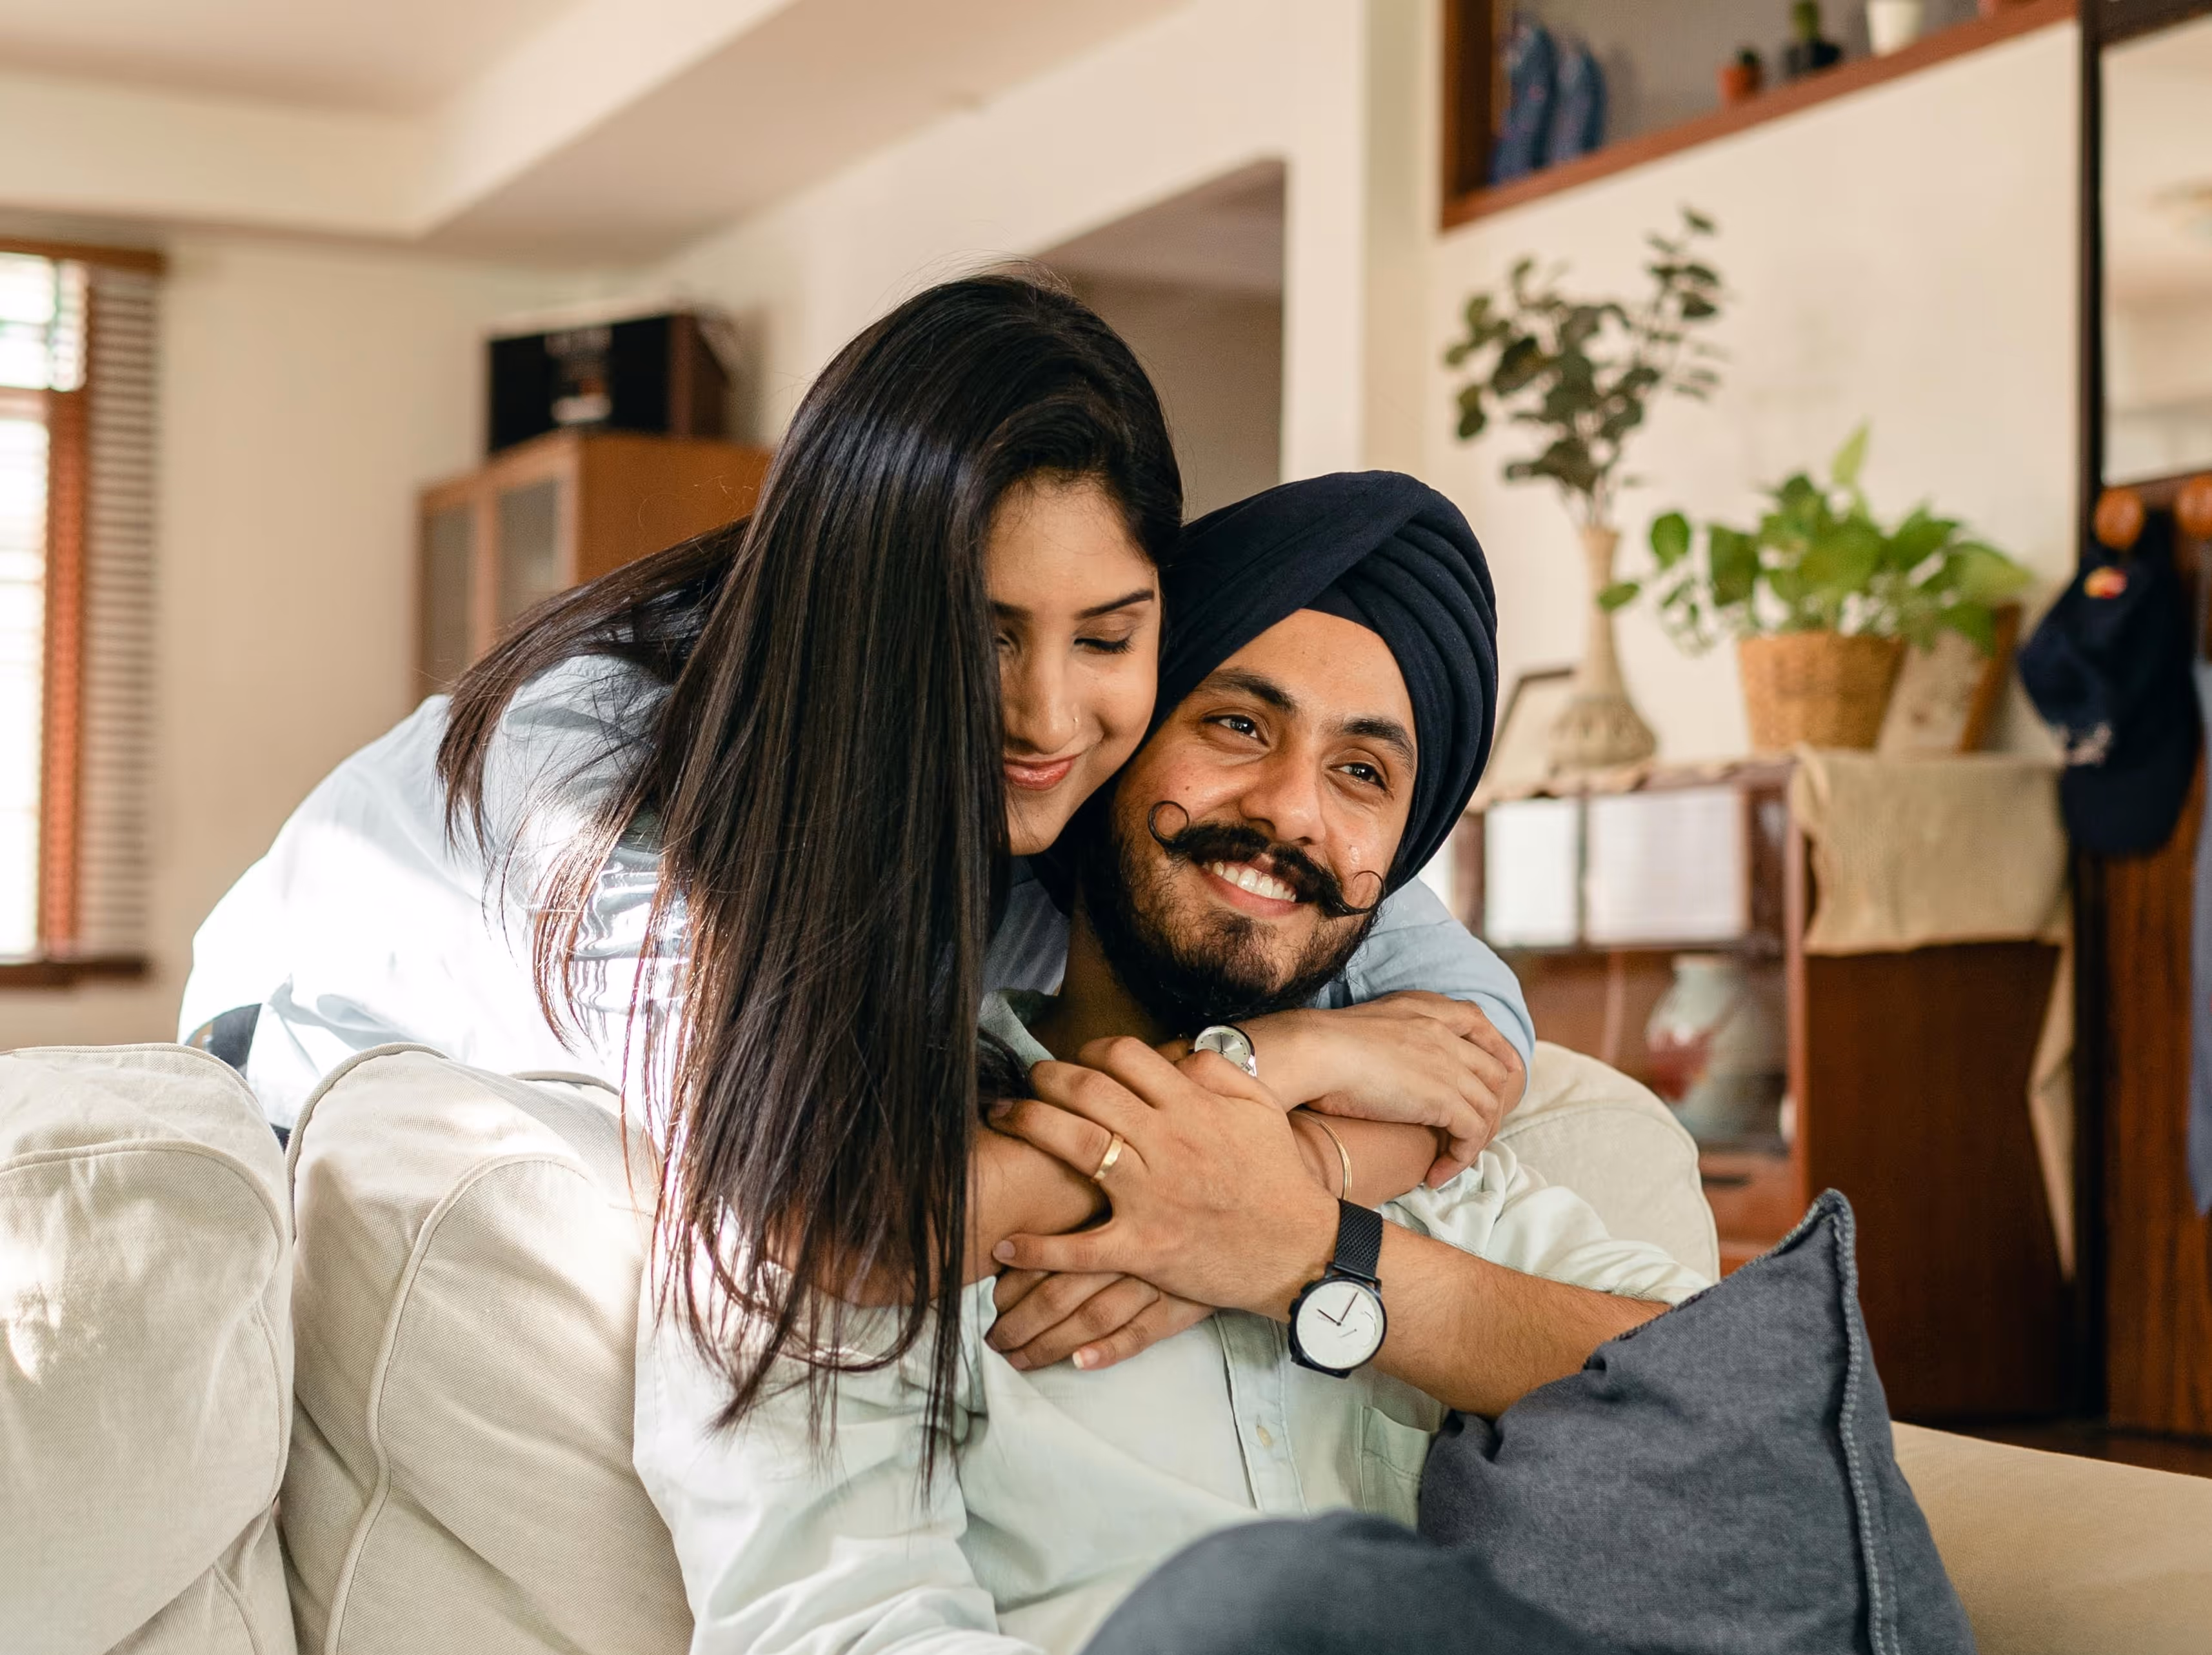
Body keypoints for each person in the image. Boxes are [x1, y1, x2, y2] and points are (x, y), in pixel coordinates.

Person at [638, 477, 2212, 1655]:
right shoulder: (860, 1157)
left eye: (1362, 772)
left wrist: (1326, 1260)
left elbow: (1721, 1384)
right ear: (1122, 737)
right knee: (1278, 1631)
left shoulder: (1456, 1161)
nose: (1290, 810)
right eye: (1239, 721)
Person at [180, 276, 1528, 1367]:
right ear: (861, 607)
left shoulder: (1135, 775)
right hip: (299, 1134)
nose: (1046, 717)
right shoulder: (607, 786)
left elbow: (1467, 1038)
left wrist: (1269, 1202)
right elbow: (835, 1218)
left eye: (1106, 637)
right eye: (978, 634)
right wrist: (1260, 1076)